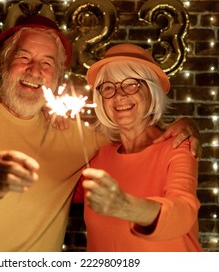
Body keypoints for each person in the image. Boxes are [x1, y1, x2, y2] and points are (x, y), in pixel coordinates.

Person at [0, 14, 200, 252]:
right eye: (24, 57)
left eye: (47, 63)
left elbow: (135, 132)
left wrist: (184, 124)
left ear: (57, 77)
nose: (35, 71)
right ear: (4, 63)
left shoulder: (85, 140)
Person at [74, 43, 203, 251]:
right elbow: (56, 192)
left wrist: (125, 207)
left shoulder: (178, 147)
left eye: (131, 84)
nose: (119, 95)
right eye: (108, 87)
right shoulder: (99, 158)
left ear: (151, 91)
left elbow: (183, 213)